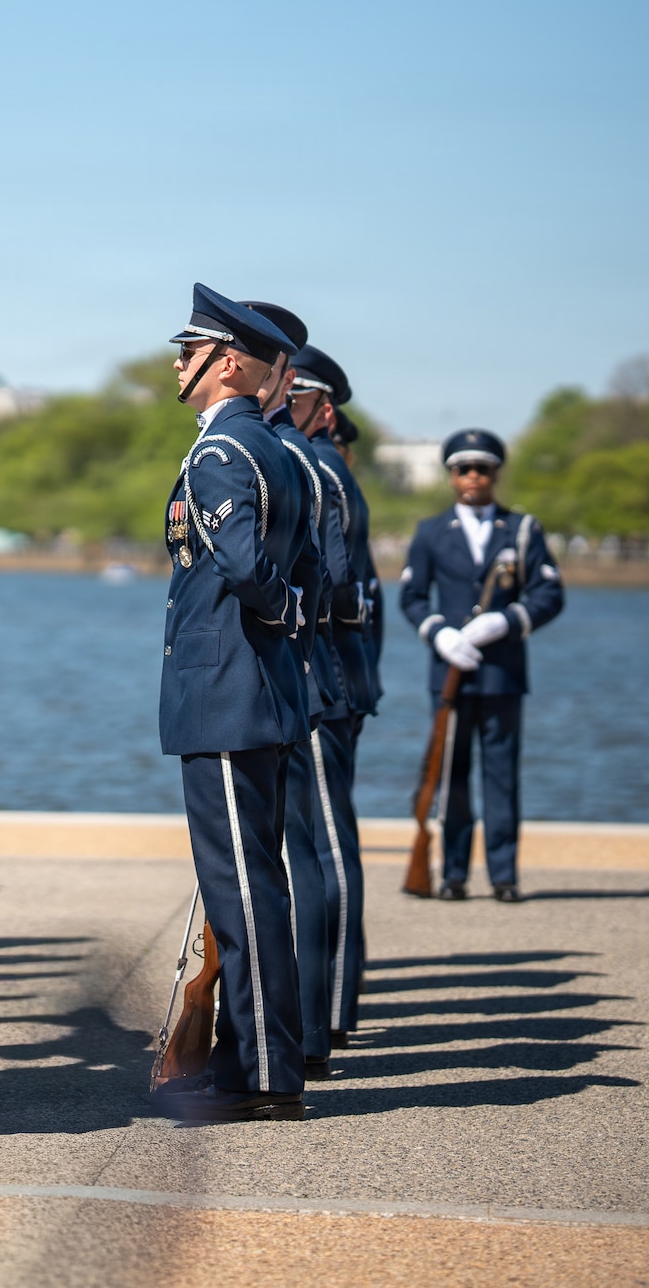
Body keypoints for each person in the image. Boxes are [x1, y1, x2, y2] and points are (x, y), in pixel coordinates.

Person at [151, 284, 317, 1124]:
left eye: (190, 351)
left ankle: (264, 1069)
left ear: (230, 364)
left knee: (243, 887)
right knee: (254, 881)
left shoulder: (222, 453)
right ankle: (249, 1058)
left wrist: (276, 609)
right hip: (260, 689)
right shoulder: (279, 450)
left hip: (225, 692)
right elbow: (311, 565)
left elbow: (252, 568)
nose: (177, 363)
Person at [244, 302, 346, 1083]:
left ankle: (312, 1024)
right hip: (281, 674)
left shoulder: (290, 457)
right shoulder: (273, 449)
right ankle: (301, 1026)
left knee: (306, 855)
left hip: (294, 676)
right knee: (277, 858)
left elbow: (326, 576)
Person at [399, 430, 566, 902]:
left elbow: (550, 595)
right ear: (451, 475)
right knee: (450, 775)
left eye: (483, 468)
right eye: (463, 468)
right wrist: (439, 633)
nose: (473, 477)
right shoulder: (431, 531)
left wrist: (507, 621)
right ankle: (452, 874)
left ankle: (504, 875)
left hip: (502, 672)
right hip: (449, 673)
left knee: (500, 775)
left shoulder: (522, 529)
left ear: (496, 473)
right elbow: (411, 597)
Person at [288, 345, 371, 1049]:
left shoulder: (317, 465)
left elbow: (339, 587)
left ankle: (330, 1012)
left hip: (316, 672)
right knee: (313, 842)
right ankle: (325, 1007)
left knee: (325, 847)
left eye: (296, 395)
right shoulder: (309, 459)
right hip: (323, 670)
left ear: (322, 405)